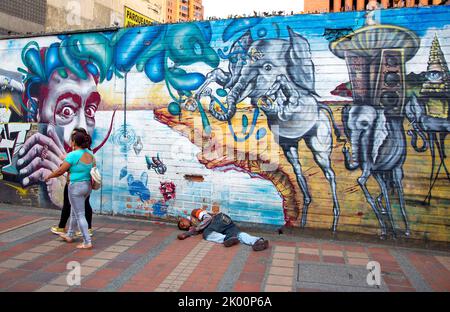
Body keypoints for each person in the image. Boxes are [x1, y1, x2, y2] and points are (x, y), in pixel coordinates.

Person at [45, 130, 95, 249]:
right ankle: (70, 235)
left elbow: (61, 170)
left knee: (79, 215)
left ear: (74, 142)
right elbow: (92, 168)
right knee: (74, 211)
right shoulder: (90, 154)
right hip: (87, 186)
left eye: (71, 140)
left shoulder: (73, 155)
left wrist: (49, 176)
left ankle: (87, 241)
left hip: (76, 186)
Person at [177, 209, 269, 251]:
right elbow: (194, 230)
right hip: (225, 223)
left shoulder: (194, 213)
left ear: (183, 218)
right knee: (238, 234)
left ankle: (227, 239)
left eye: (181, 222)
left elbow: (208, 218)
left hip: (218, 219)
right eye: (182, 227)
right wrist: (188, 233)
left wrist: (192, 231)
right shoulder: (194, 226)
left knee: (206, 234)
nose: (182, 225)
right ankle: (258, 241)